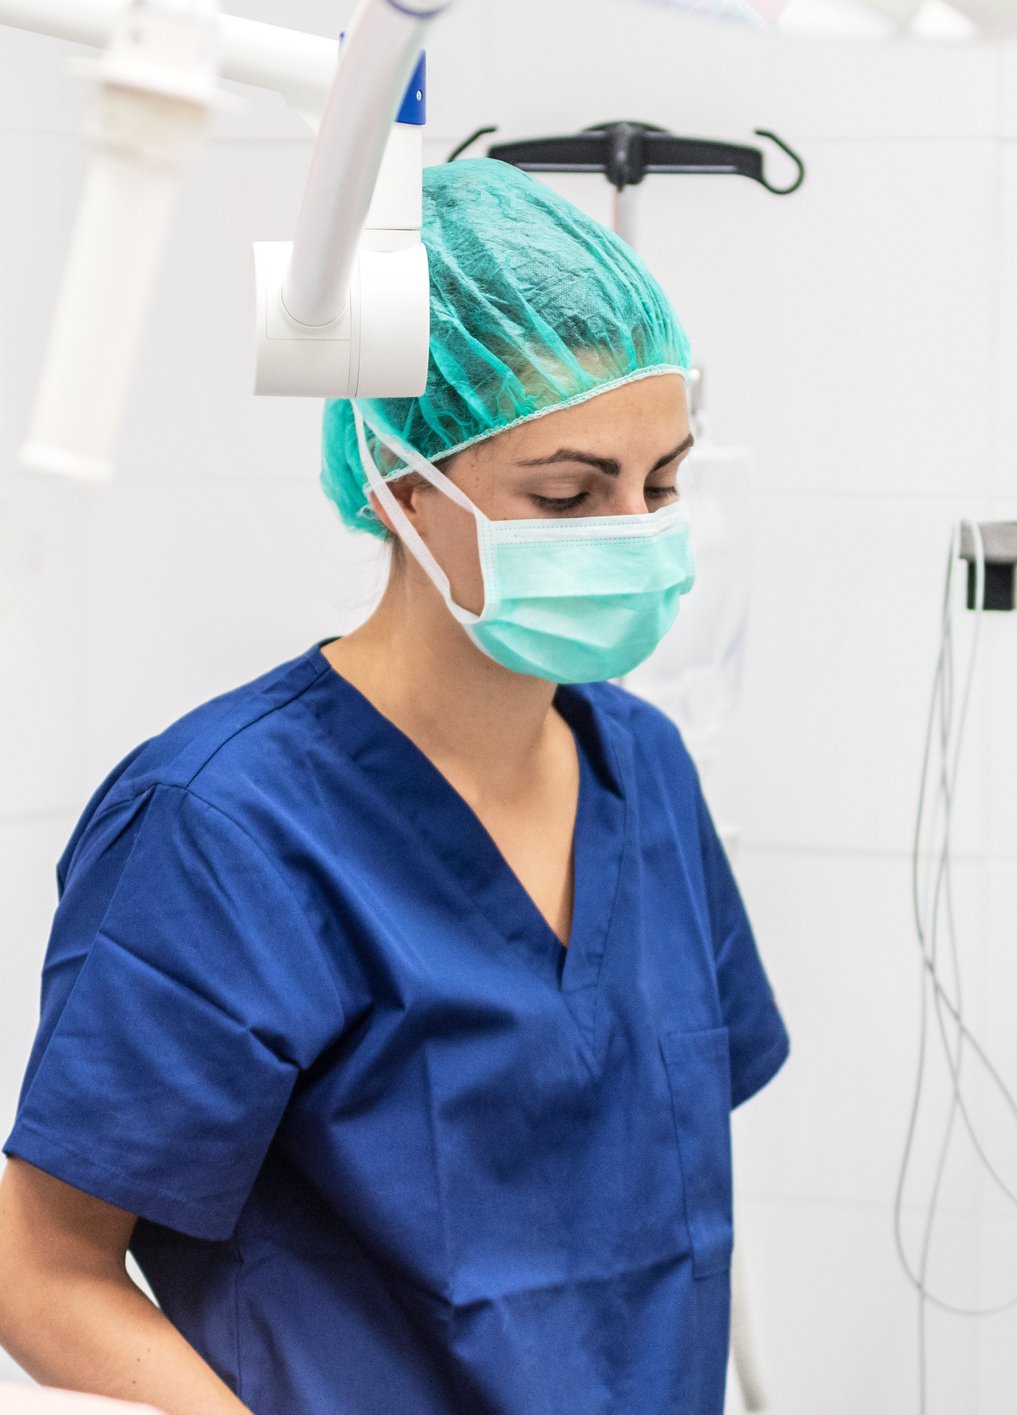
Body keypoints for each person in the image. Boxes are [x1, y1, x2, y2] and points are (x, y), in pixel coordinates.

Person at [0, 160, 788, 1414]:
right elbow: (42, 1275)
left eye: (665, 482)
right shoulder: (224, 824)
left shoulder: (642, 766)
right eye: (569, 493)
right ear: (399, 479)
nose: (634, 531)